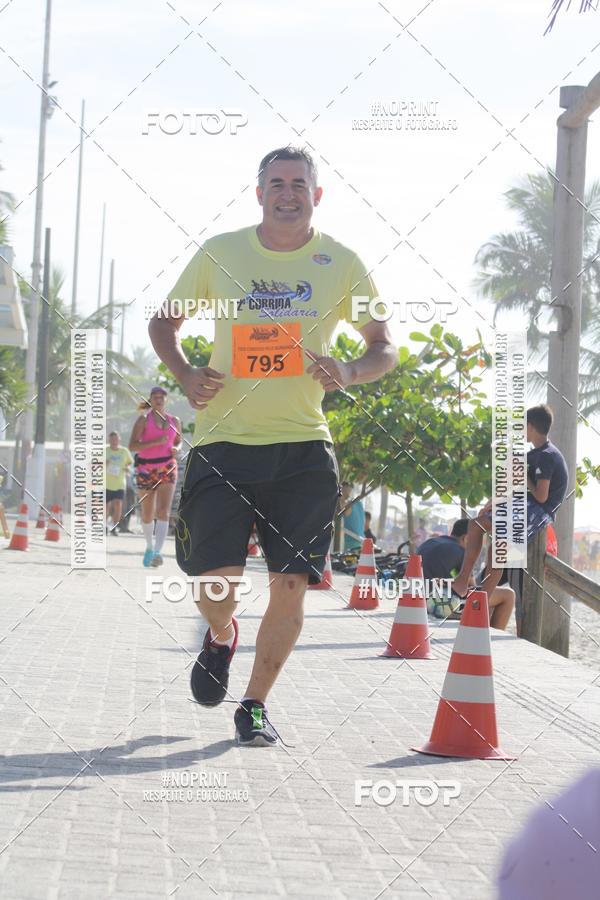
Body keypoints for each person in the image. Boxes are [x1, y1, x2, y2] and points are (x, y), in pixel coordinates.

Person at [149, 145, 397, 746]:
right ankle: (222, 633)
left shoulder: (340, 262)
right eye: (277, 183)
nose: (288, 192)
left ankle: (254, 706)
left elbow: (382, 345)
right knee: (216, 584)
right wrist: (184, 374)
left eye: (299, 183)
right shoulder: (221, 253)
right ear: (258, 193)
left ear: (318, 194)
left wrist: (352, 371)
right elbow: (164, 321)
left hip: (304, 448)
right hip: (223, 440)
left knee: (290, 583)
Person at [452, 404, 568, 607]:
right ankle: (472, 591)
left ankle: (473, 592)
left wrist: (524, 476)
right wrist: (491, 503)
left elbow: (541, 497)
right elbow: (510, 485)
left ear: (530, 426)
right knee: (482, 532)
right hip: (524, 505)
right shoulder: (533, 454)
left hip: (540, 511)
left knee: (488, 538)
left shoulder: (548, 456)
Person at [128, 386, 182, 567]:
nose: (158, 400)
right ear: (151, 400)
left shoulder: (175, 420)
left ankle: (158, 553)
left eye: (162, 397)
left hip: (167, 466)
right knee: (147, 513)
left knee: (163, 511)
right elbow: (133, 446)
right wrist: (155, 442)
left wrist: (177, 449)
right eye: (155, 397)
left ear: (166, 400)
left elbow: (178, 441)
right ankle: (150, 547)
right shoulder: (143, 420)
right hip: (146, 468)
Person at [105, 432, 133, 535]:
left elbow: (130, 462)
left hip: (120, 483)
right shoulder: (105, 451)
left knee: (118, 505)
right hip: (106, 483)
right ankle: (104, 526)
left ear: (119, 440)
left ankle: (114, 527)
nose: (114, 441)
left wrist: (128, 467)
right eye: (112, 439)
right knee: (106, 506)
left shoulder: (124, 451)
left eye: (116, 439)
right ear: (109, 440)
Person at [341, 482, 366, 552]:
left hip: (352, 545)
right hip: (361, 543)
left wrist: (340, 497)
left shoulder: (348, 505)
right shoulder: (359, 503)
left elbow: (345, 510)